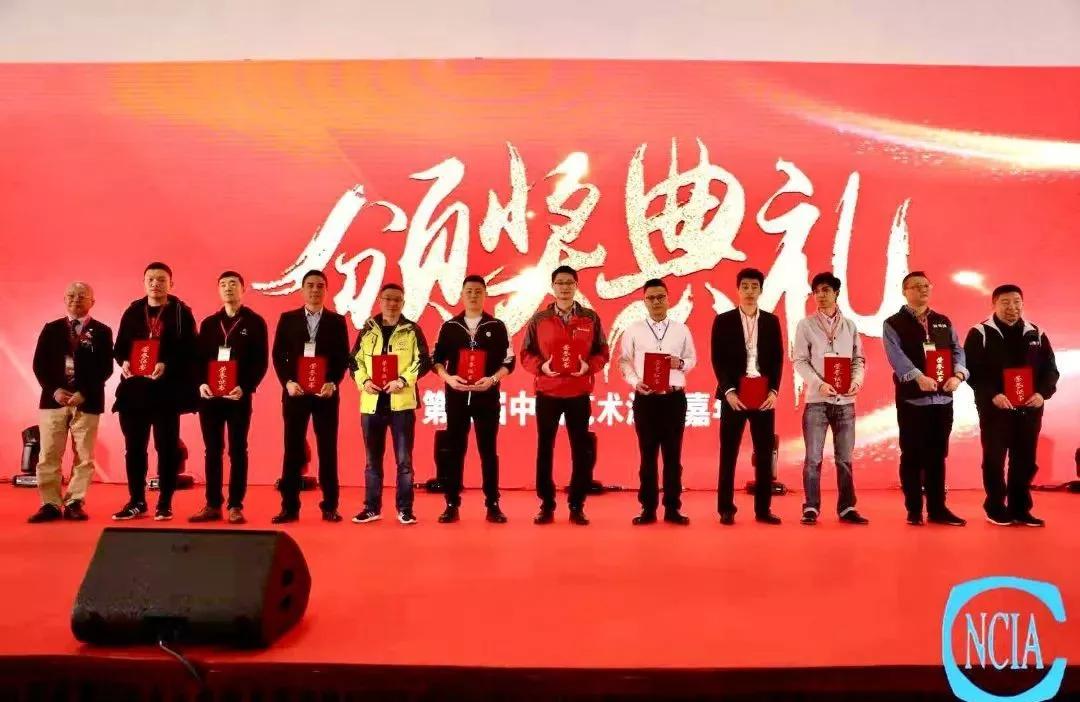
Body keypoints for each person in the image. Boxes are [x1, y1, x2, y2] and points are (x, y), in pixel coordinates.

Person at [520, 265, 609, 526]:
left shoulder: (590, 318)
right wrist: (542, 367)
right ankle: (546, 504)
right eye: (560, 282)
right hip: (547, 391)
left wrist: (588, 367)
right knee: (545, 448)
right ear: (553, 287)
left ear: (576, 286)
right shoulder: (539, 319)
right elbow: (525, 353)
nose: (565, 287)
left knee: (580, 449)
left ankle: (577, 504)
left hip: (578, 392)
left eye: (569, 282)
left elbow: (602, 352)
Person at [963, 284, 1059, 527]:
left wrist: (1042, 394)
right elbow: (972, 371)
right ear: (994, 304)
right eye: (1005, 302)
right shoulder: (980, 333)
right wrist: (992, 395)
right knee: (994, 459)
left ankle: (1020, 509)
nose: (1012, 307)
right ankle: (995, 507)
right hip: (995, 408)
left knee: (1025, 460)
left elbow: (1050, 370)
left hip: (1030, 408)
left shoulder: (1036, 333)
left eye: (1017, 302)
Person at [112, 262, 198, 521]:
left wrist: (167, 364)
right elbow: (120, 347)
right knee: (134, 449)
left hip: (166, 394)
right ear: (144, 283)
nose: (155, 284)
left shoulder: (181, 312)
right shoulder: (133, 311)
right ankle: (136, 501)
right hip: (134, 392)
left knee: (167, 449)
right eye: (150, 279)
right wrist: (124, 362)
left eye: (161, 279)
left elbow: (191, 351)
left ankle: (164, 502)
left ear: (171, 283)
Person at [883, 271, 968, 526]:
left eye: (926, 285)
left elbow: (957, 350)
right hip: (913, 401)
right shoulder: (894, 323)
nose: (923, 290)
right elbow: (896, 356)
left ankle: (937, 509)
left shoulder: (942, 321)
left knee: (937, 456)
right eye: (917, 286)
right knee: (912, 455)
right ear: (905, 291)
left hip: (942, 401)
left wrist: (959, 375)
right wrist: (918, 377)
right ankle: (913, 509)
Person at [431, 275, 514, 523]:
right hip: (456, 397)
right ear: (462, 294)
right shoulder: (450, 326)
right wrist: (448, 378)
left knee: (488, 451)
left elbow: (509, 361)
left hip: (486, 397)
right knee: (455, 451)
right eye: (469, 291)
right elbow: (436, 360)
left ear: (485, 294)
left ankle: (493, 504)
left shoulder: (497, 326)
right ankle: (451, 504)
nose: (473, 295)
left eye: (478, 291)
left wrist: (493, 379)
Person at [28, 282, 114, 522]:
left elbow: (106, 367)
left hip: (87, 401)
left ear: (92, 302)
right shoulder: (51, 328)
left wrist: (85, 392)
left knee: (84, 456)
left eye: (82, 296)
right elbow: (39, 364)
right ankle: (50, 503)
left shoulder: (102, 331)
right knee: (48, 454)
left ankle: (75, 502)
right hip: (54, 400)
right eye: (72, 295)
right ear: (65, 299)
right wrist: (54, 390)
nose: (76, 299)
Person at [189, 271, 268, 525]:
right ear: (218, 290)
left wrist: (245, 387)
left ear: (243, 289)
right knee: (212, 450)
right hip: (210, 397)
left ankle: (235, 505)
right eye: (223, 284)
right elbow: (198, 359)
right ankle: (213, 504)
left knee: (237, 450)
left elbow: (260, 361)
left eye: (233, 284)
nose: (228, 288)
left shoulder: (255, 323)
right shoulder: (209, 324)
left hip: (238, 397)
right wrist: (201, 383)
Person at [271, 269, 350, 523]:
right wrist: (287, 382)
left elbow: (342, 357)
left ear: (326, 290)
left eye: (320, 286)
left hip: (325, 395)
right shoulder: (288, 319)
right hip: (296, 393)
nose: (315, 290)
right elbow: (278, 355)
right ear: (302, 290)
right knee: (293, 449)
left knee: (328, 449)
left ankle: (330, 506)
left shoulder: (336, 321)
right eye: (310, 285)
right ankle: (289, 507)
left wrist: (333, 382)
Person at [350, 283, 431, 525]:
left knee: (404, 462)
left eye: (397, 300)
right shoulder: (368, 329)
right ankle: (371, 508)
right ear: (380, 301)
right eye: (388, 299)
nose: (392, 303)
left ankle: (405, 509)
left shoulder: (412, 330)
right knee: (372, 461)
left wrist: (403, 380)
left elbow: (423, 361)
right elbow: (354, 361)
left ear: (403, 303)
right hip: (372, 404)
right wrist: (364, 381)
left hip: (401, 404)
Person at [792, 272, 869, 526]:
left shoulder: (849, 326)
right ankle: (811, 507)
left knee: (845, 459)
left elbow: (858, 359)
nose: (821, 295)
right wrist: (819, 384)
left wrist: (856, 381)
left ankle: (847, 507)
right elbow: (799, 360)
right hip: (817, 401)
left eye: (826, 290)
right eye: (817, 291)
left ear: (836, 293)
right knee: (813, 459)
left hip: (845, 402)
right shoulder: (806, 325)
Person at [618, 278, 696, 525]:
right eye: (650, 298)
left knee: (673, 456)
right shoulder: (633, 330)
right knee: (647, 456)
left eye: (660, 297)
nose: (656, 302)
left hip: (673, 399)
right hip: (647, 399)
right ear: (644, 301)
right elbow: (624, 361)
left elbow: (692, 359)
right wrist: (635, 382)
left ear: (668, 299)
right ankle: (648, 508)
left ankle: (672, 508)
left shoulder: (681, 329)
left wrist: (679, 363)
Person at [712, 267, 784, 525]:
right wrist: (728, 391)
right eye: (745, 287)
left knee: (764, 454)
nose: (750, 291)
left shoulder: (771, 321)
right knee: (728, 453)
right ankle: (726, 508)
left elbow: (777, 359)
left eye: (754, 287)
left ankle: (763, 509)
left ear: (761, 290)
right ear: (738, 290)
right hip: (734, 395)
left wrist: (774, 391)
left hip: (763, 395)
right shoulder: (723, 321)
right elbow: (717, 359)